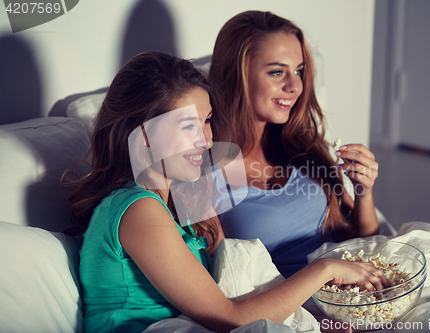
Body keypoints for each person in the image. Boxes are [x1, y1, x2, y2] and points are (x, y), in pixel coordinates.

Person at [65, 51, 387, 333]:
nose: (206, 140)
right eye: (188, 126)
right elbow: (230, 319)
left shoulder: (179, 205)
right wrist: (325, 268)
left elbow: (230, 297)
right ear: (144, 135)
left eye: (206, 122)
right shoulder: (137, 209)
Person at [209, 11, 381, 279]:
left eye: (299, 71)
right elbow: (218, 281)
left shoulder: (305, 147)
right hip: (290, 307)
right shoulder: (203, 171)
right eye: (277, 72)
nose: (295, 86)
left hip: (354, 294)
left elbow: (364, 240)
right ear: (237, 75)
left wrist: (364, 191)